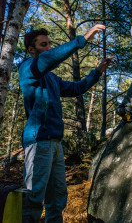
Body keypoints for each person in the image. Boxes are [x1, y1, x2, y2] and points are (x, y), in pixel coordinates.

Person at [19, 25, 111, 222]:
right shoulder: (28, 67)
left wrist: (97, 72)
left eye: (50, 44)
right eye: (44, 45)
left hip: (55, 143)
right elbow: (48, 58)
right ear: (31, 49)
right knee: (33, 197)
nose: (49, 48)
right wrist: (83, 39)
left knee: (57, 198)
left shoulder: (51, 77)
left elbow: (75, 88)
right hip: (38, 140)